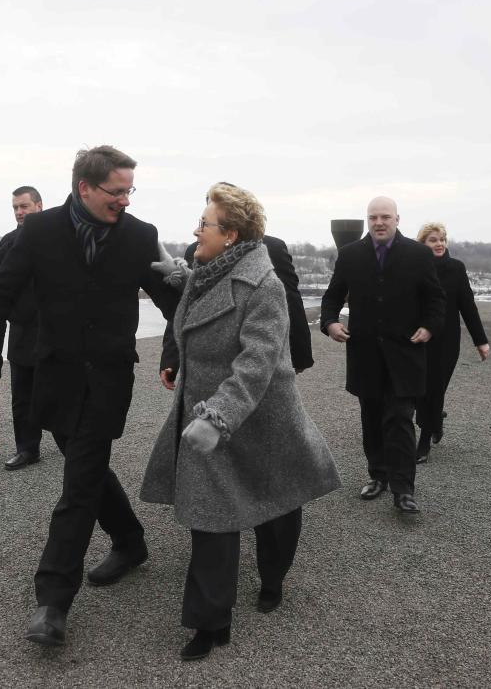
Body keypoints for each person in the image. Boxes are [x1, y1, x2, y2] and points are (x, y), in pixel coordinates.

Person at [0, 146, 181, 647]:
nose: (125, 200)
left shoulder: (139, 236)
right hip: (56, 374)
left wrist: (183, 351)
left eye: (131, 190)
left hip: (109, 379)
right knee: (85, 466)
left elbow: (176, 303)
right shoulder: (38, 234)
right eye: (117, 191)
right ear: (84, 188)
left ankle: (52, 601)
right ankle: (130, 542)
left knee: (79, 483)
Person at [141, 183, 340, 661]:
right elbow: (202, 294)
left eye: (204, 223)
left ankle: (273, 578)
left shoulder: (264, 287)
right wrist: (178, 275)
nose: (196, 229)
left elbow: (257, 363)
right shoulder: (206, 271)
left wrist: (218, 416)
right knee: (212, 519)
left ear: (230, 234)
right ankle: (211, 624)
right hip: (208, 418)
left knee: (274, 504)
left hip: (260, 417)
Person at [320, 196, 445, 514]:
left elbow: (435, 299)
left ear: (397, 219)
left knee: (400, 419)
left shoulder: (418, 254)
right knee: (372, 419)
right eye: (373, 217)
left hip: (405, 353)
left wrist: (429, 327)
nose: (379, 222)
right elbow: (332, 296)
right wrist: (331, 323)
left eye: (385, 217)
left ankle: (404, 489)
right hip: (364, 354)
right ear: (368, 220)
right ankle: (378, 476)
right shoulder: (351, 255)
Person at [172, 229, 314, 373]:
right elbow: (184, 306)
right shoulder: (196, 250)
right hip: (207, 356)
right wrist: (170, 359)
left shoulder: (272, 247)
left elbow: (289, 298)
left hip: (257, 348)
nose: (197, 230)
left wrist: (300, 354)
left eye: (205, 222)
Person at [0, 186, 50, 470]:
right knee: (22, 394)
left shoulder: (56, 236)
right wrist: (19, 239)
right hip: (22, 328)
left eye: (24, 206)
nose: (20, 212)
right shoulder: (10, 239)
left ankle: (72, 440)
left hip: (53, 327)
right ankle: (27, 449)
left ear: (39, 206)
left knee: (63, 388)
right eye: (15, 208)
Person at [413, 223, 490, 463]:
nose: (439, 244)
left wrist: (481, 341)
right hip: (418, 338)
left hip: (446, 342)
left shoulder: (456, 269)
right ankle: (435, 420)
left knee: (435, 389)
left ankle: (424, 441)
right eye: (433, 240)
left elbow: (468, 306)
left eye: (442, 239)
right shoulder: (413, 268)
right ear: (422, 244)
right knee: (418, 390)